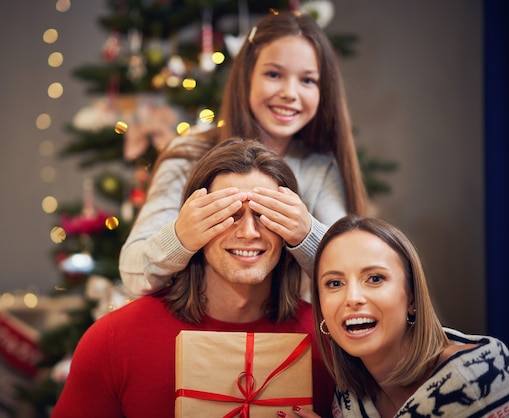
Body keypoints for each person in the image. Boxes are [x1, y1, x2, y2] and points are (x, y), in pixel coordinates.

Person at [52, 138, 335, 418]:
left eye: (266, 214)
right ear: (192, 224)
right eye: (228, 213)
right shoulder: (114, 340)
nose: (249, 232)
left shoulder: (331, 344)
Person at [119, 9, 368, 297]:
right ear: (246, 77)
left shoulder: (318, 168)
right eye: (274, 74)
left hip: (288, 337)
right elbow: (132, 273)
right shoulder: (187, 156)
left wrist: (306, 233)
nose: (290, 92)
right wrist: (180, 238)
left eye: (308, 80)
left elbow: (354, 270)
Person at [277, 215, 509, 418]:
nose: (352, 298)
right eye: (334, 283)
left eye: (374, 278)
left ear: (412, 299)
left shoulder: (477, 378)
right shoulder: (346, 400)